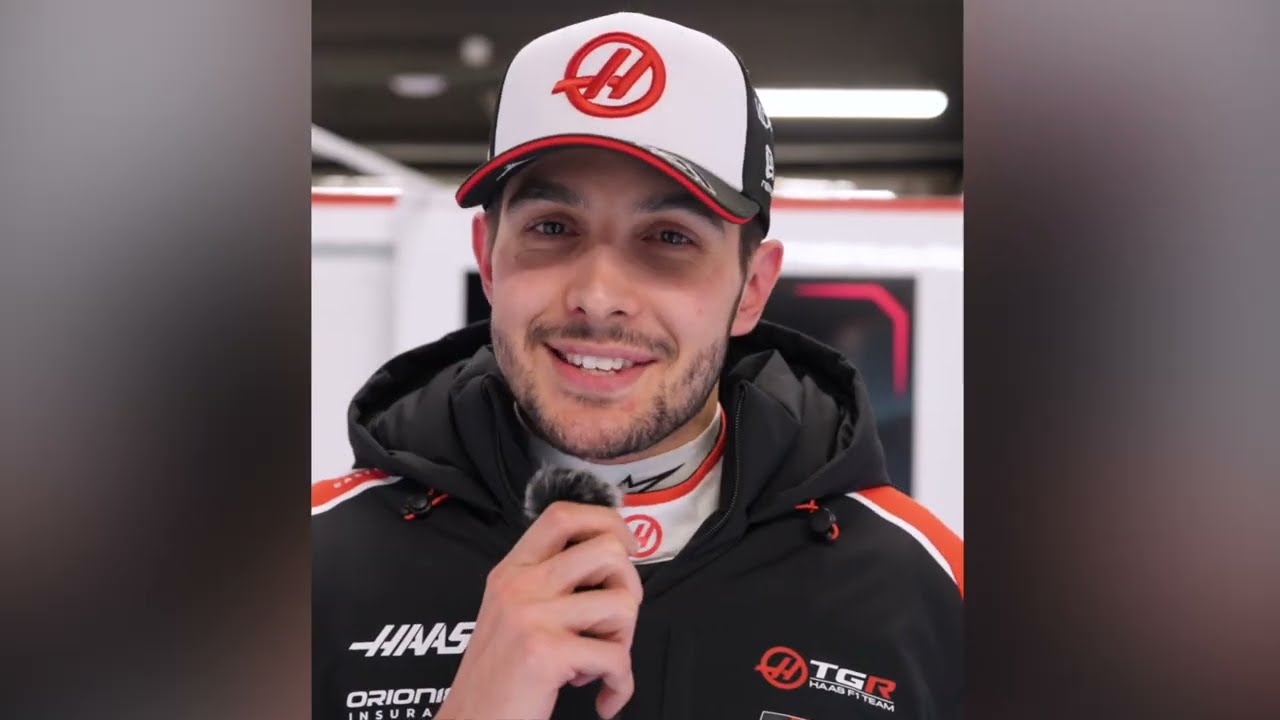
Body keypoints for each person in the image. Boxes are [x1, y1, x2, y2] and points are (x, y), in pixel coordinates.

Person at [313, 11, 962, 720]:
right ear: (489, 260)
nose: (598, 296)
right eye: (553, 227)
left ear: (752, 288)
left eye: (669, 238)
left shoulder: (932, 591)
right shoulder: (304, 570)